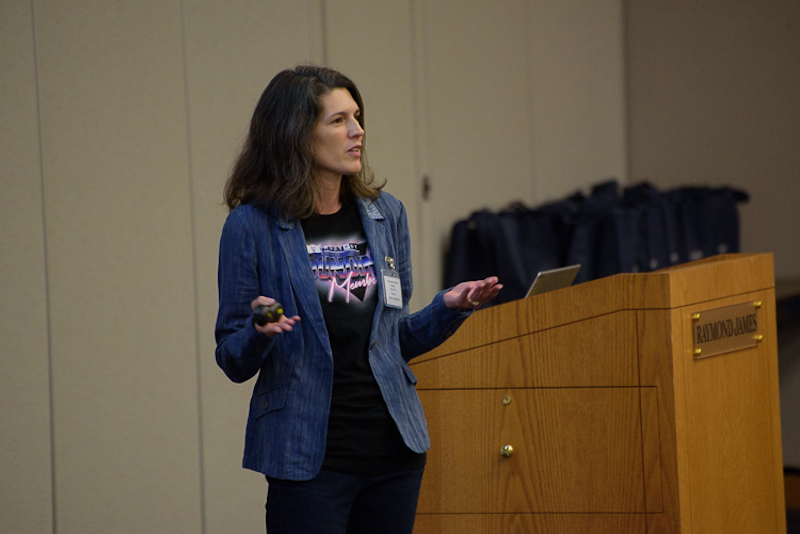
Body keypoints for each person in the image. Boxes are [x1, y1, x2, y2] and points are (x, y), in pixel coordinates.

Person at [215, 65, 502, 534]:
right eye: (338, 121)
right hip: (309, 461)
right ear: (296, 136)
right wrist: (258, 331)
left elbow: (394, 340)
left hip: (394, 455)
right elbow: (231, 357)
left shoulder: (386, 214)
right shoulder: (251, 226)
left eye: (357, 116)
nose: (357, 130)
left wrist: (447, 309)